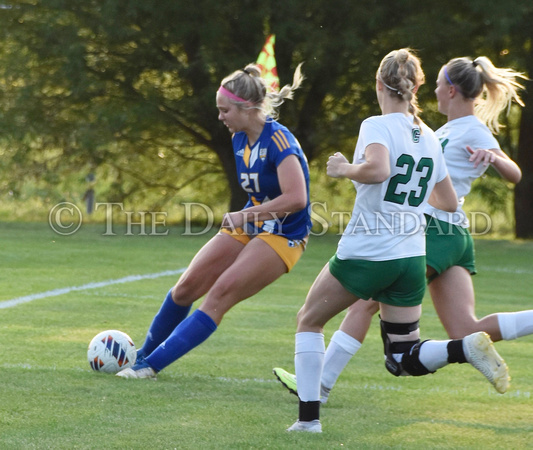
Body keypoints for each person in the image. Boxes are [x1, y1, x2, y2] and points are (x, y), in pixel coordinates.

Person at [274, 55, 529, 407]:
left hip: (431, 230)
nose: (437, 90)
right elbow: (445, 194)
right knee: (465, 330)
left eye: (441, 84)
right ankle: (323, 383)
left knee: (362, 304)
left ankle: (320, 386)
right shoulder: (435, 131)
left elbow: (512, 174)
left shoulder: (466, 128)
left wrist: (496, 159)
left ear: (450, 89)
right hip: (453, 232)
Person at [116, 62, 312, 379]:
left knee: (219, 294)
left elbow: (296, 199)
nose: (220, 117)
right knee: (185, 289)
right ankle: (144, 354)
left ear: (247, 108)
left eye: (224, 111)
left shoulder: (280, 142)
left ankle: (148, 367)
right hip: (250, 224)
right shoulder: (239, 138)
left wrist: (244, 214)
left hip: (285, 233)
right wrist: (247, 218)